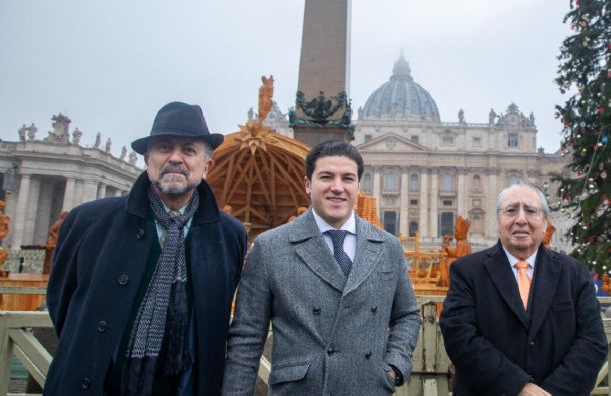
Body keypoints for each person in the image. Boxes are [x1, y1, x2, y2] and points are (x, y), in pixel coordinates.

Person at [45, 101, 248, 395]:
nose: (175, 158)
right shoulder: (87, 222)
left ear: (207, 166)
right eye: (164, 148)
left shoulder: (230, 235)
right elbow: (61, 304)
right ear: (146, 159)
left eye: (189, 150)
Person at [223, 141, 420, 395]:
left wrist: (394, 366)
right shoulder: (270, 247)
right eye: (326, 177)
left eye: (347, 178)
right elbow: (246, 338)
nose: (337, 187)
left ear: (358, 186)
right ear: (308, 184)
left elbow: (407, 315)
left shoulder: (388, 246)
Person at [440, 182, 608, 396]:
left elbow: (593, 342)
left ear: (545, 223)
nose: (521, 219)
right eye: (511, 211)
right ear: (499, 221)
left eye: (530, 210)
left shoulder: (575, 273)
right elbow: (460, 338)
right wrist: (518, 387)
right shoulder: (467, 271)